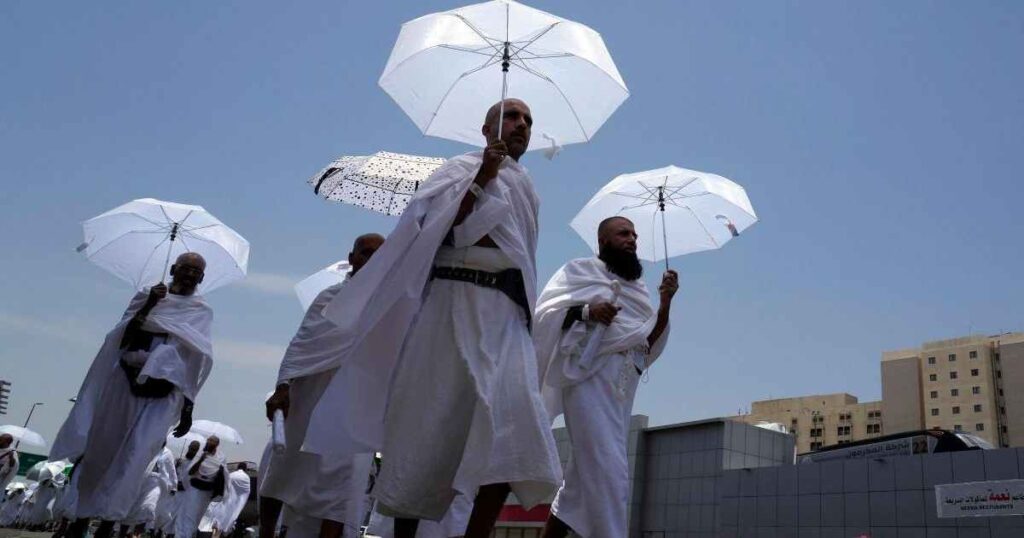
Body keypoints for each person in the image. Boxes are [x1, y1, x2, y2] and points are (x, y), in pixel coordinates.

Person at [303, 98, 561, 538]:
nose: (521, 125)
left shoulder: (528, 187)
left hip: (507, 317)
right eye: (511, 116)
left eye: (528, 120)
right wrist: (482, 178)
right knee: (429, 425)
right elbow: (434, 229)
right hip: (453, 303)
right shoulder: (457, 169)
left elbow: (523, 257)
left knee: (518, 430)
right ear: (486, 129)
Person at [534, 216, 678, 538]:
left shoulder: (639, 292)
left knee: (578, 490)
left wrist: (665, 304)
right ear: (602, 241)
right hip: (585, 383)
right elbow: (545, 316)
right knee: (611, 474)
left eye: (635, 235)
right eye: (623, 233)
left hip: (620, 392)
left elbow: (645, 345)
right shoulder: (580, 272)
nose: (632, 239)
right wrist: (588, 311)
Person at [52, 252, 213, 538]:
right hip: (124, 383)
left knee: (137, 456)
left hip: (164, 394)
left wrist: (188, 407)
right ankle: (81, 517)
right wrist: (151, 304)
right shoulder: (147, 296)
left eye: (196, 272)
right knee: (103, 450)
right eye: (185, 269)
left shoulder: (200, 311)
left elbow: (196, 361)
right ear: (174, 269)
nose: (190, 275)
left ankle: (109, 523)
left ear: (201, 279)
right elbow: (122, 338)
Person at [261, 233, 384, 538]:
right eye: (365, 252)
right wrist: (282, 386)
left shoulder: (389, 302)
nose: (371, 259)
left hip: (355, 399)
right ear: (352, 257)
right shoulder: (329, 297)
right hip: (310, 392)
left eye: (378, 255)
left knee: (341, 480)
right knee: (283, 466)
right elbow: (302, 343)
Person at [174, 436, 226, 538]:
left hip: (206, 492)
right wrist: (201, 459)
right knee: (187, 518)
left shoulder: (221, 457)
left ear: (216, 445)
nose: (209, 443)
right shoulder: (200, 454)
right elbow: (191, 472)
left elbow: (222, 476)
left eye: (211, 442)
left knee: (195, 518)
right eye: (208, 441)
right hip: (194, 489)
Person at [122, 443, 177, 537]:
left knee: (148, 507)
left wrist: (174, 486)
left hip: (157, 483)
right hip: (142, 480)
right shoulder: (149, 447)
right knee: (132, 508)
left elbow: (172, 470)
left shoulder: (168, 453)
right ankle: (124, 533)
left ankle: (137, 534)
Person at [200, 463, 251, 538]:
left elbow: (227, 486)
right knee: (229, 518)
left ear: (237, 467)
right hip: (235, 502)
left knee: (221, 517)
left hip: (226, 500)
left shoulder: (232, 474)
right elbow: (246, 491)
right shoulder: (246, 477)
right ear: (246, 469)